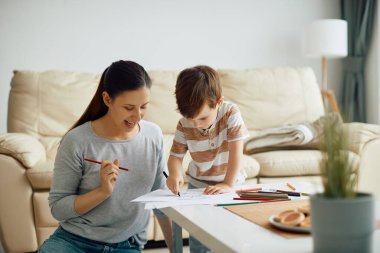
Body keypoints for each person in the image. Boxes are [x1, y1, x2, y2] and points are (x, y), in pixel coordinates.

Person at [38, 60, 172, 253]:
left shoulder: (153, 136)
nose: (137, 116)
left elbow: (160, 200)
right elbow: (58, 208)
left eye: (143, 106)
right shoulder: (77, 141)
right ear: (107, 99)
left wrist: (175, 249)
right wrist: (102, 192)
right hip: (74, 242)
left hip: (127, 245)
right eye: (128, 108)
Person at [166, 65, 249, 253]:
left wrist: (228, 184)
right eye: (189, 118)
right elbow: (175, 157)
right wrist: (174, 174)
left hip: (231, 183)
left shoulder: (230, 113)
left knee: (232, 234)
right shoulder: (184, 124)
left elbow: (237, 152)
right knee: (199, 236)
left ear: (218, 102)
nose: (194, 124)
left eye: (202, 118)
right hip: (198, 185)